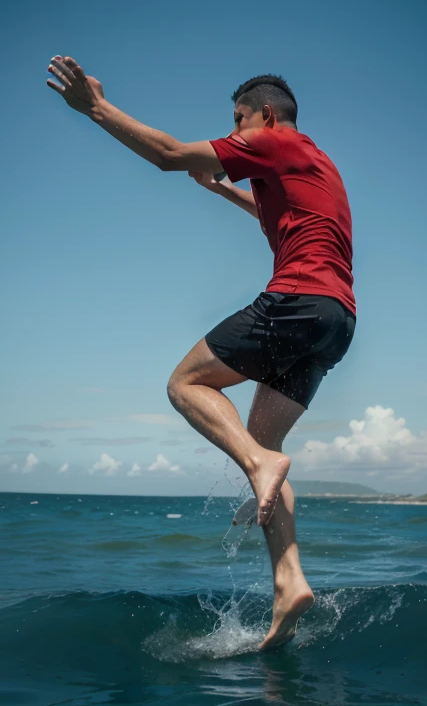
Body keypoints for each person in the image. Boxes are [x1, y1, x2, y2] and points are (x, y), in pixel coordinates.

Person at [46, 56, 356, 649]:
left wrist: (95, 108)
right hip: (337, 321)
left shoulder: (273, 142)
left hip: (299, 299)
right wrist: (220, 191)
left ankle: (260, 467)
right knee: (263, 445)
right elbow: (276, 214)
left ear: (265, 117)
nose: (233, 132)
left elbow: (166, 153)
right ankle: (290, 582)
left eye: (238, 121)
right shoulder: (315, 164)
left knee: (185, 384)